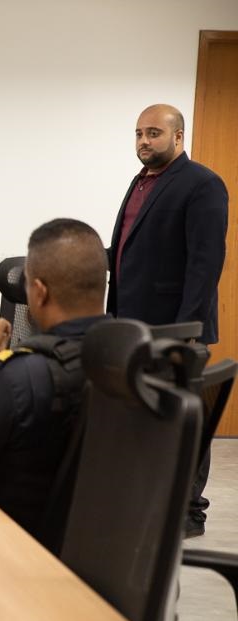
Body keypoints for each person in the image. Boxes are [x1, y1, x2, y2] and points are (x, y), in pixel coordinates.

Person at [0, 219, 109, 546]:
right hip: (110, 559)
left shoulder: (17, 375)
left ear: (38, 291)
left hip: (17, 559)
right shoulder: (138, 362)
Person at [108, 104, 229, 537]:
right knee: (147, 418)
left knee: (185, 416)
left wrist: (187, 332)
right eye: (139, 133)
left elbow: (205, 263)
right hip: (133, 324)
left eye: (154, 133)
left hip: (176, 328)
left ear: (179, 138)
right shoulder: (140, 182)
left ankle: (190, 512)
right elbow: (128, 249)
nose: (144, 141)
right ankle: (149, 502)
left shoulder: (202, 185)